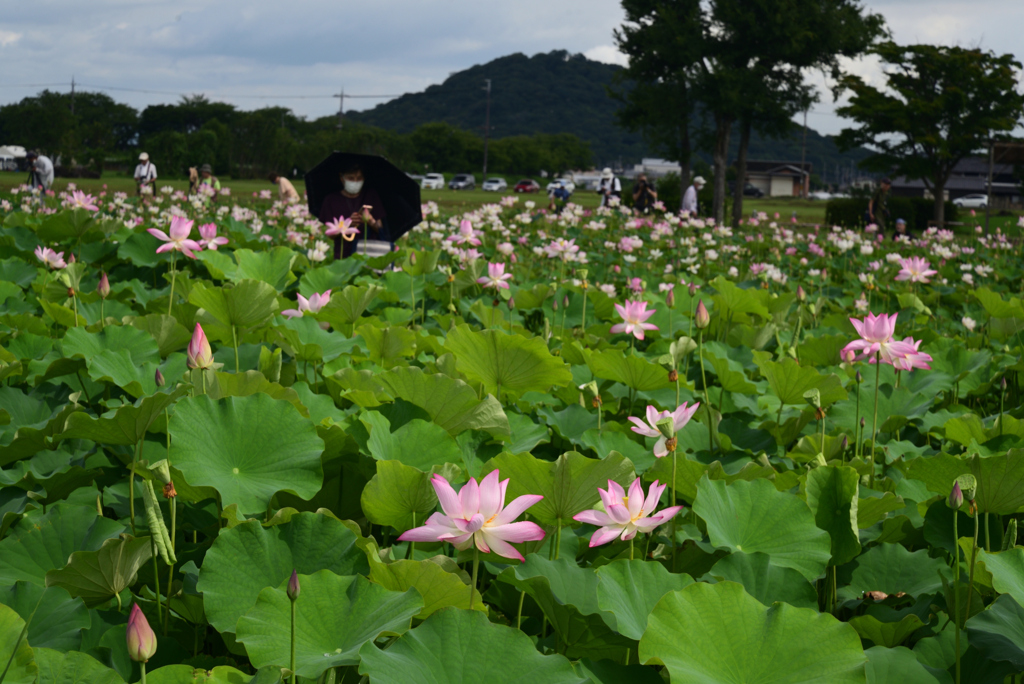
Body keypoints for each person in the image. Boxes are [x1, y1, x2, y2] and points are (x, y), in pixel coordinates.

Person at [318, 162, 390, 259]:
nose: (355, 181)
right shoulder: (331, 200)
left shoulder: (371, 195)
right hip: (343, 254)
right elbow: (330, 234)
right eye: (351, 178)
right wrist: (347, 225)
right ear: (342, 178)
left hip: (369, 253)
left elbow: (381, 229)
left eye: (359, 178)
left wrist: (371, 221)